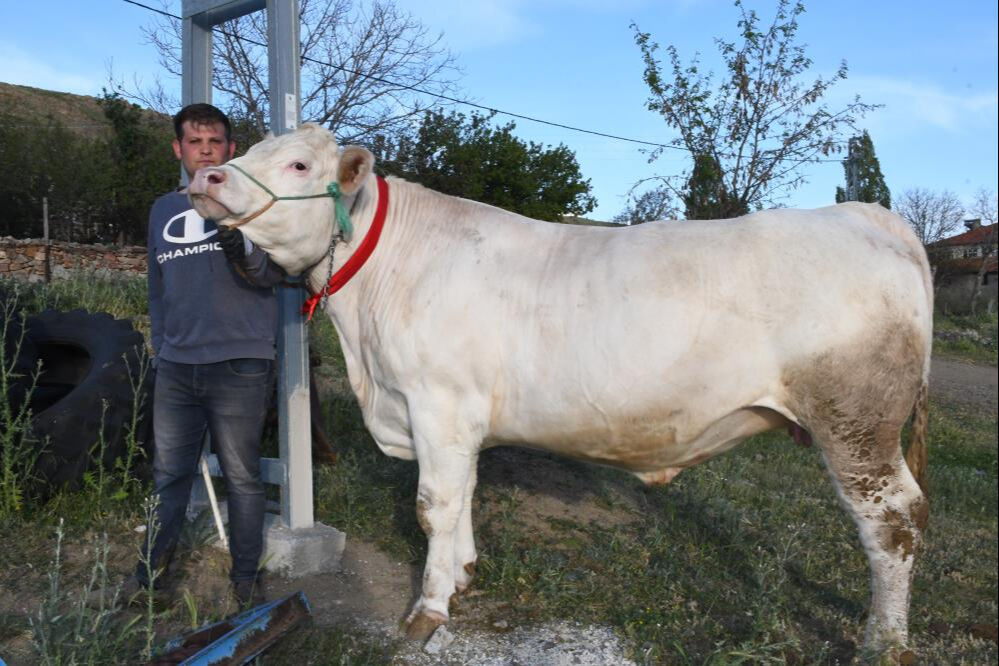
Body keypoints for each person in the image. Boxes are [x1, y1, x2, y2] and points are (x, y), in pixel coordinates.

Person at [135, 103, 283, 607]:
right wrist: (162, 347)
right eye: (195, 142)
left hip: (240, 363)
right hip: (177, 367)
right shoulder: (162, 210)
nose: (205, 151)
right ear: (178, 149)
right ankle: (149, 580)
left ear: (230, 148)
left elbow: (273, 274)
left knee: (242, 477)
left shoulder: (252, 202)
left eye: (214, 142)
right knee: (168, 476)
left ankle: (245, 581)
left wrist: (240, 244)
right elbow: (157, 288)